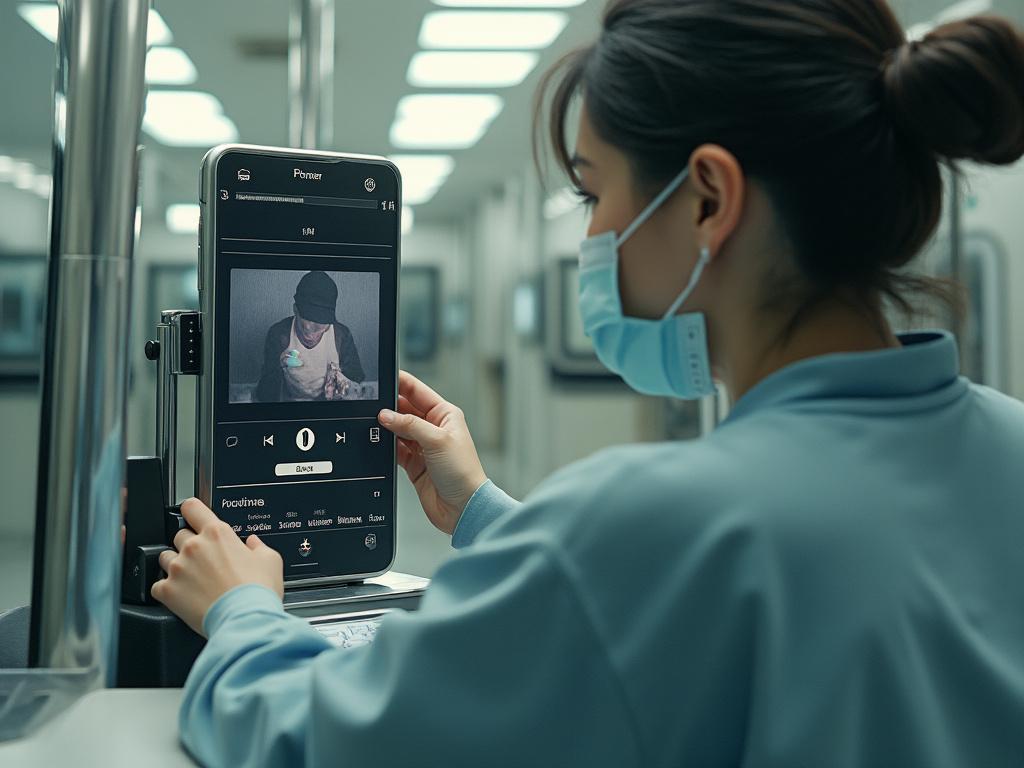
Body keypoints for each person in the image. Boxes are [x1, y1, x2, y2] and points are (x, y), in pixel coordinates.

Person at [152, 1, 1024, 765]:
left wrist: (242, 612)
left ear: (709, 200)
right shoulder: (1009, 446)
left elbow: (320, 742)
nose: (594, 235)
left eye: (593, 194)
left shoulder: (656, 524)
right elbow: (647, 595)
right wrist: (481, 510)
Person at [253, 270, 365, 402]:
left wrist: (340, 380)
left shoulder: (341, 335)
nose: (312, 336)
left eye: (320, 329)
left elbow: (357, 377)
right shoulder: (278, 335)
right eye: (305, 329)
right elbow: (264, 394)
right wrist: (278, 369)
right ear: (295, 310)